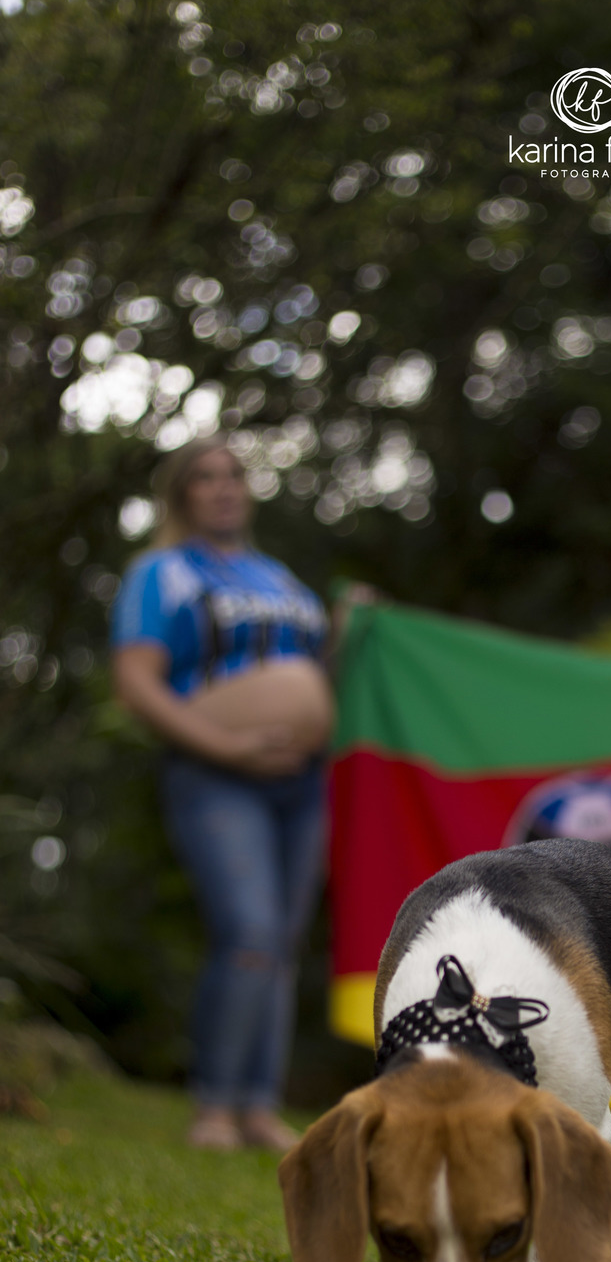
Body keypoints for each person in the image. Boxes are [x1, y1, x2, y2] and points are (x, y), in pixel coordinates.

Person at [111, 436, 334, 1151]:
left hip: (301, 782)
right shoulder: (161, 573)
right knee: (248, 932)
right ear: (181, 496)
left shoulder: (280, 577)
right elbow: (137, 682)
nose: (223, 487)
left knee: (282, 945)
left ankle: (257, 1106)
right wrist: (227, 745)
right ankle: (214, 1104)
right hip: (215, 775)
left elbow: (304, 674)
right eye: (204, 478)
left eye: (234, 474)